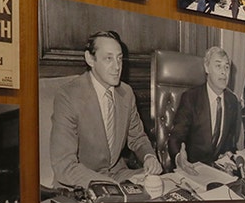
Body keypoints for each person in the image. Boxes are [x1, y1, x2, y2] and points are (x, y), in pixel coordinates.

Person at [50, 31, 163, 189]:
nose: (117, 67)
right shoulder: (68, 96)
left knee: (164, 186)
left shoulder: (126, 93)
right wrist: (111, 186)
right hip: (79, 182)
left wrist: (149, 156)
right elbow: (64, 166)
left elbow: (137, 138)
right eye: (108, 58)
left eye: (119, 58)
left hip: (118, 174)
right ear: (90, 59)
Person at [167, 46, 243, 172]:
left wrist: (228, 158)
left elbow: (230, 142)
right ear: (207, 68)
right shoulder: (190, 98)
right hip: (192, 170)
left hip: (219, 171)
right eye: (218, 66)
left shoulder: (232, 101)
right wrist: (179, 158)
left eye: (227, 67)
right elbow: (175, 138)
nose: (224, 72)